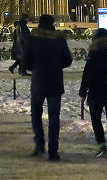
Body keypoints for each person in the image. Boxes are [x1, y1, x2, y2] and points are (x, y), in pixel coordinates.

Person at [22, 14, 72, 161]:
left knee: (36, 114)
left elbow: (25, 61)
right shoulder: (59, 39)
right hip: (55, 81)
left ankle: (39, 144)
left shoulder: (32, 39)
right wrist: (56, 66)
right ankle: (53, 151)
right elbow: (67, 60)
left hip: (38, 81)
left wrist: (35, 68)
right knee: (54, 117)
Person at [79, 27, 107, 158]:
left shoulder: (94, 54)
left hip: (96, 91)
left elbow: (87, 75)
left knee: (96, 119)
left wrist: (83, 92)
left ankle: (101, 144)